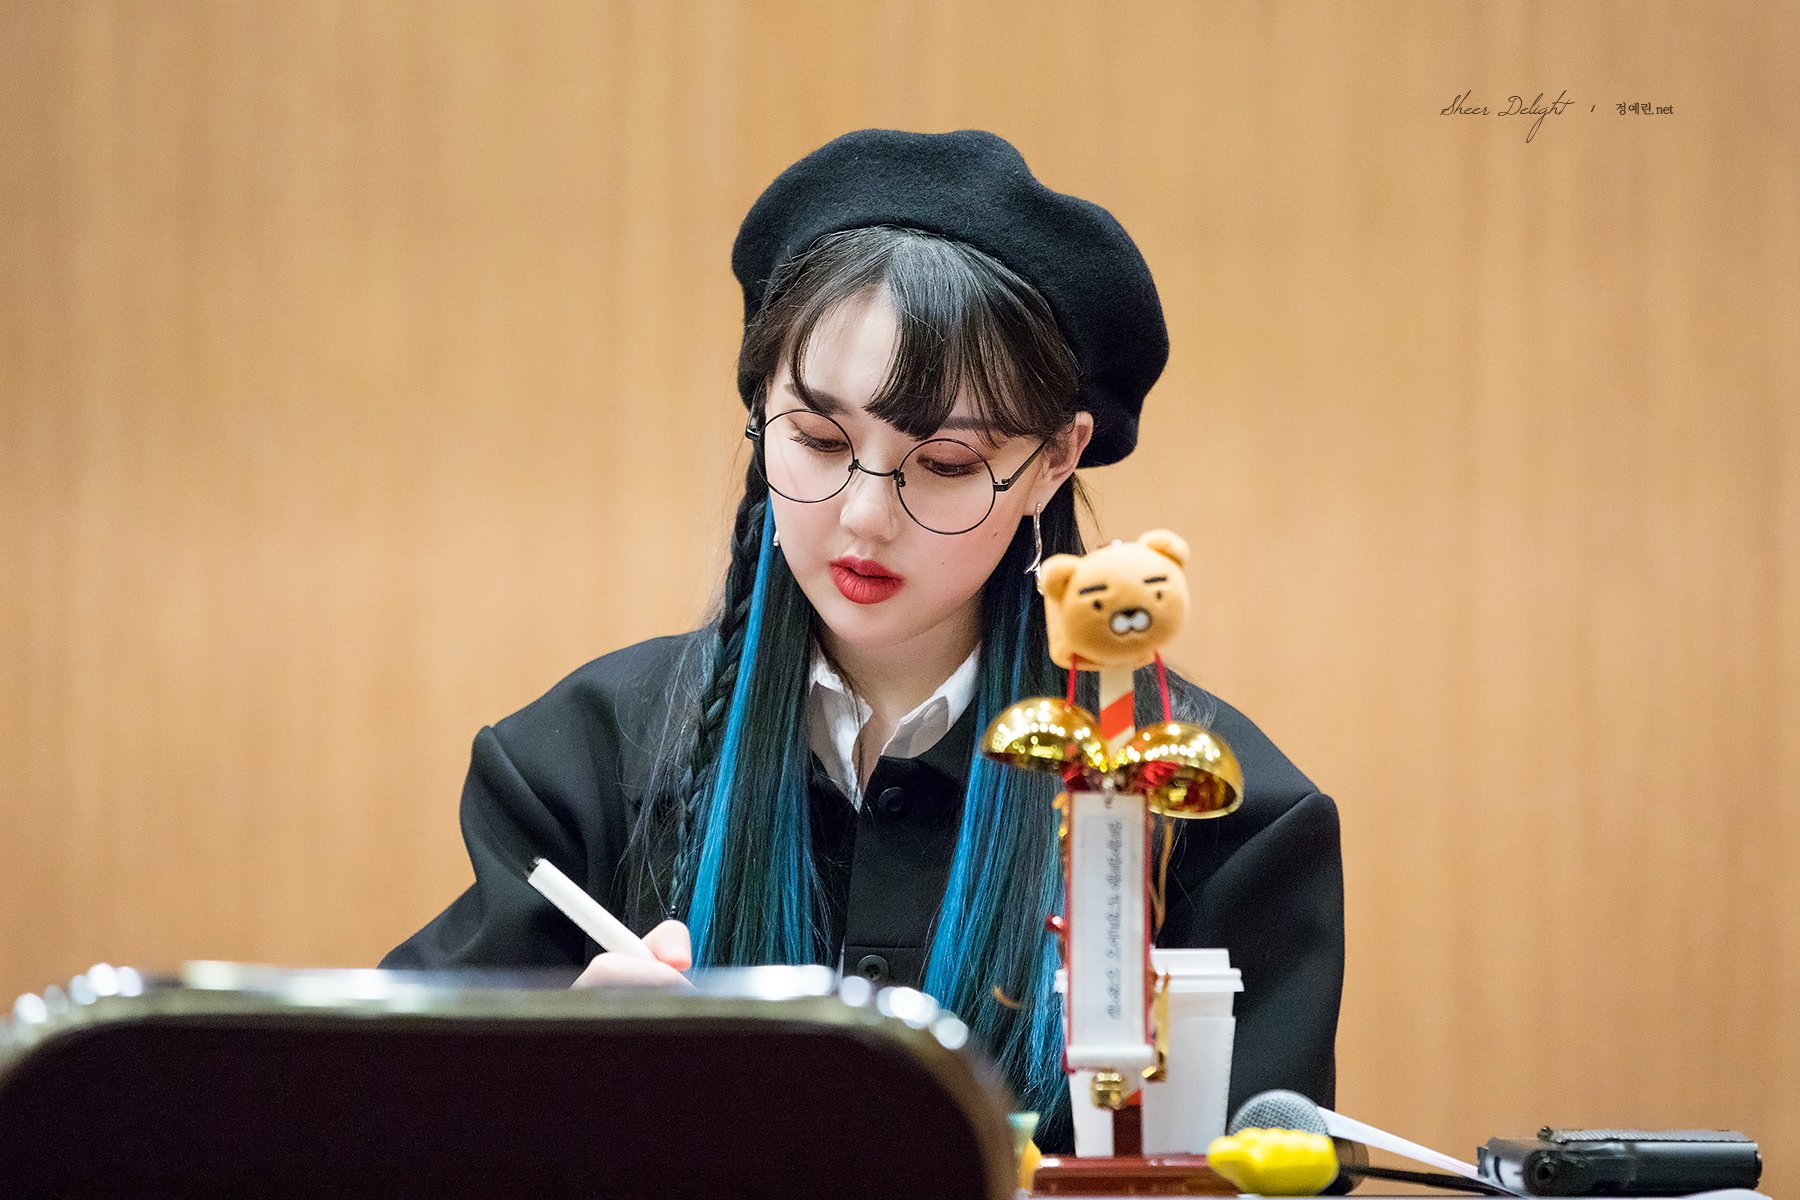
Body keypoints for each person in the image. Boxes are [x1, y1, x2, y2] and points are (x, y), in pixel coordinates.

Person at [382, 129, 1344, 1153]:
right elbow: (372, 1131)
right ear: (761, 411)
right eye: (819, 440)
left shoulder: (1216, 814)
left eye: (945, 462)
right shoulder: (578, 768)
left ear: (1058, 458)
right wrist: (538, 1090)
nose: (863, 516)